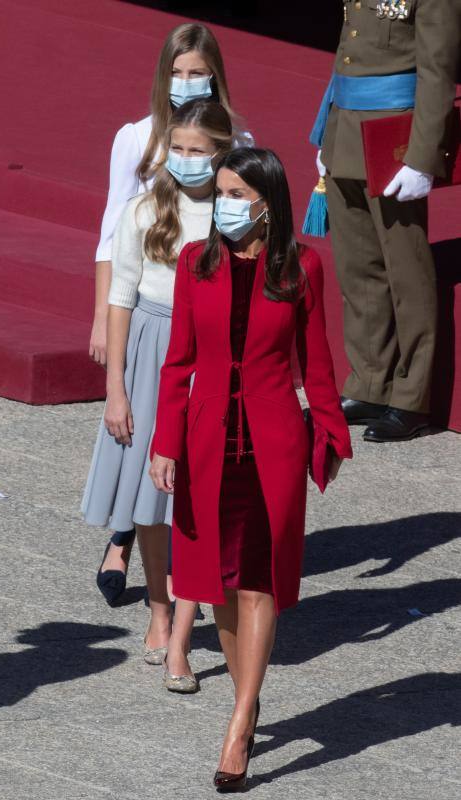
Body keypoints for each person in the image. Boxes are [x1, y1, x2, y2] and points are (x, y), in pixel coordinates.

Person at [149, 148, 352, 789]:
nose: (225, 205)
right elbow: (177, 363)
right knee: (219, 587)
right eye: (221, 192)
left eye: (237, 193)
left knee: (258, 580)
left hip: (273, 446)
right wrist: (165, 443)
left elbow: (317, 364)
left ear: (268, 203)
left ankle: (238, 727)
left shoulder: (302, 269)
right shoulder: (194, 264)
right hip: (208, 445)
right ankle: (250, 694)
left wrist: (330, 435)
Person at [87, 21, 252, 604]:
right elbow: (114, 231)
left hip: (203, 323)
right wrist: (100, 318)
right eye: (177, 72)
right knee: (139, 438)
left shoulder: (239, 139)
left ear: (215, 75)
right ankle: (122, 539)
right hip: (146, 307)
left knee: (184, 447)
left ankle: (189, 571)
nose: (187, 83)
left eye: (197, 72)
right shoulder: (136, 137)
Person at [82, 99, 234, 692]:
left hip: (210, 352)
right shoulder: (146, 210)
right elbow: (120, 297)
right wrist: (115, 387)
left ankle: (183, 633)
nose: (189, 160)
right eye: (180, 149)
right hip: (150, 345)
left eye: (201, 151)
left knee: (200, 494)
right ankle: (160, 610)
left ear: (221, 151)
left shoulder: (233, 211)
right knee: (151, 493)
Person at [312, 0, 459, 442]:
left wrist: (422, 159)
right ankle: (371, 382)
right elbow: (348, 55)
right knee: (358, 270)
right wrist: (328, 134)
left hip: (394, 141)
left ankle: (411, 397)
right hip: (347, 131)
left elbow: (438, 71)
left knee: (406, 273)